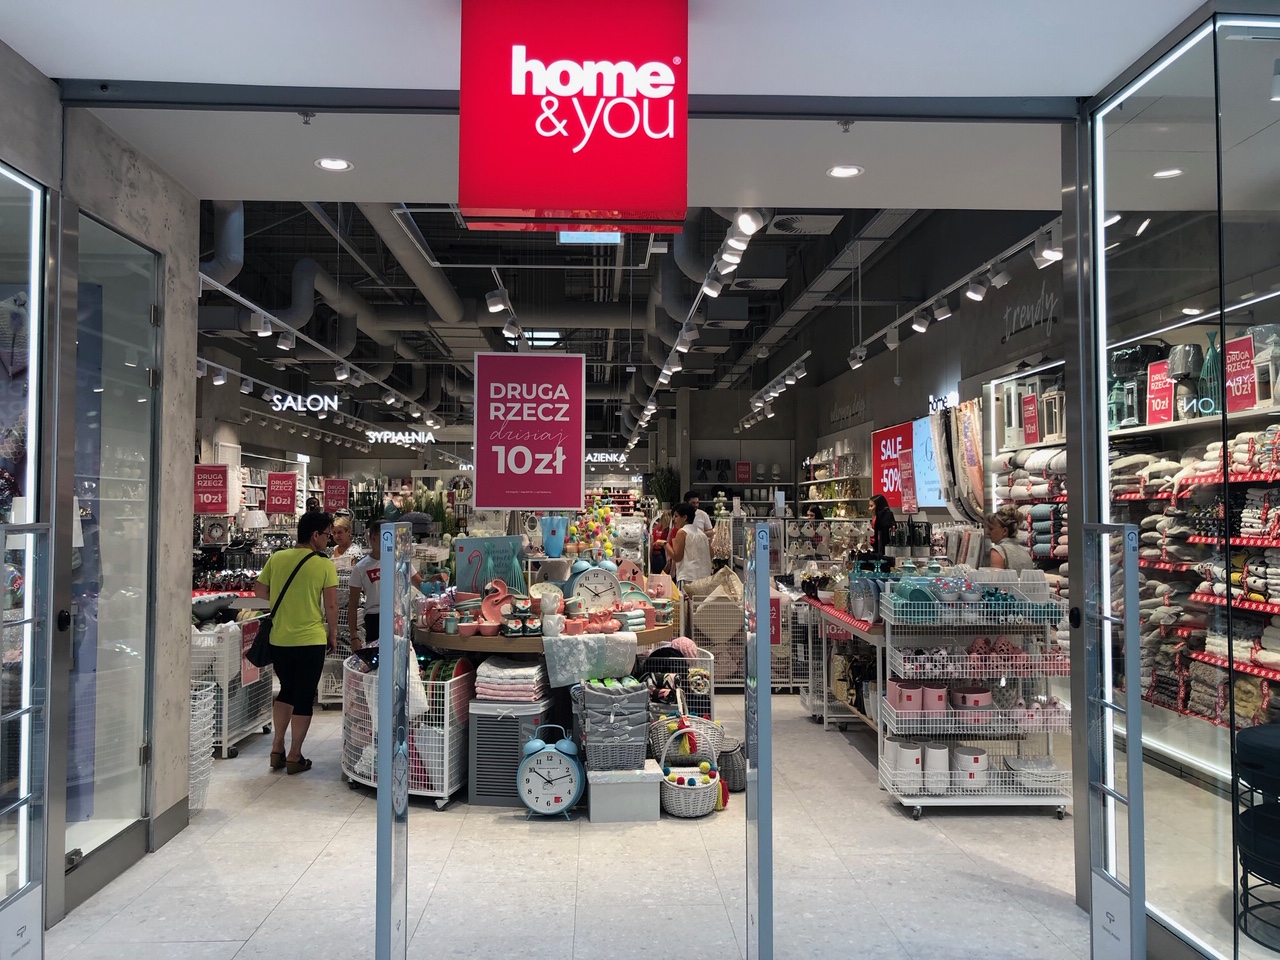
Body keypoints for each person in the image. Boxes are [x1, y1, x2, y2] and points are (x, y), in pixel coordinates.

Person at [253, 511, 339, 775]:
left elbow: (259, 591)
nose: (329, 540)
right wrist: (333, 633)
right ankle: (294, 755)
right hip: (310, 640)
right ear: (315, 535)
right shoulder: (324, 564)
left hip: (280, 639)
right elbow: (331, 605)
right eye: (327, 535)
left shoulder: (277, 558)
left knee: (286, 691)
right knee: (304, 696)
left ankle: (276, 748)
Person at [349, 520, 382, 651]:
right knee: (375, 658)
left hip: (397, 617)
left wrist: (433, 580)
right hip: (374, 617)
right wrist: (354, 636)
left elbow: (419, 583)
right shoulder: (361, 567)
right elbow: (352, 604)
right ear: (373, 538)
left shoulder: (399, 562)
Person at [666, 502, 713, 585]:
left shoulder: (682, 532)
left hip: (687, 578)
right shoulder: (702, 534)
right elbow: (711, 554)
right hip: (705, 578)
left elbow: (677, 557)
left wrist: (665, 544)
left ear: (685, 517)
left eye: (676, 516)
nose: (673, 519)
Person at [986, 505, 1034, 570]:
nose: (988, 533)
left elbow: (995, 576)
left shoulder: (998, 551)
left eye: (991, 529)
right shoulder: (1025, 553)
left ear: (1005, 531)